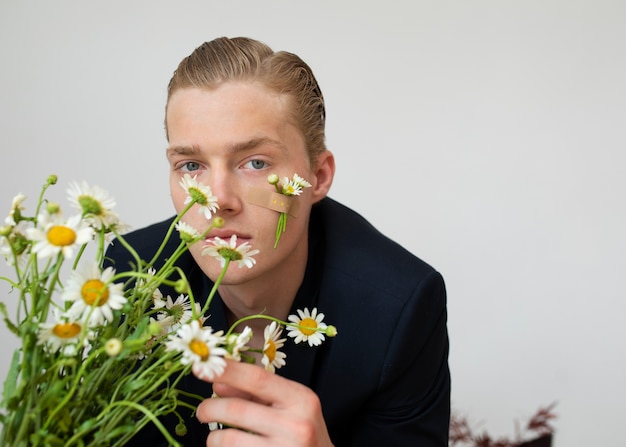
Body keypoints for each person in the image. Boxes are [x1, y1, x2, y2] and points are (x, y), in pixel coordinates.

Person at [105, 36, 450, 446]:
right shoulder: (130, 278)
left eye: (255, 163)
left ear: (317, 178)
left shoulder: (398, 308)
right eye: (191, 165)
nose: (218, 202)